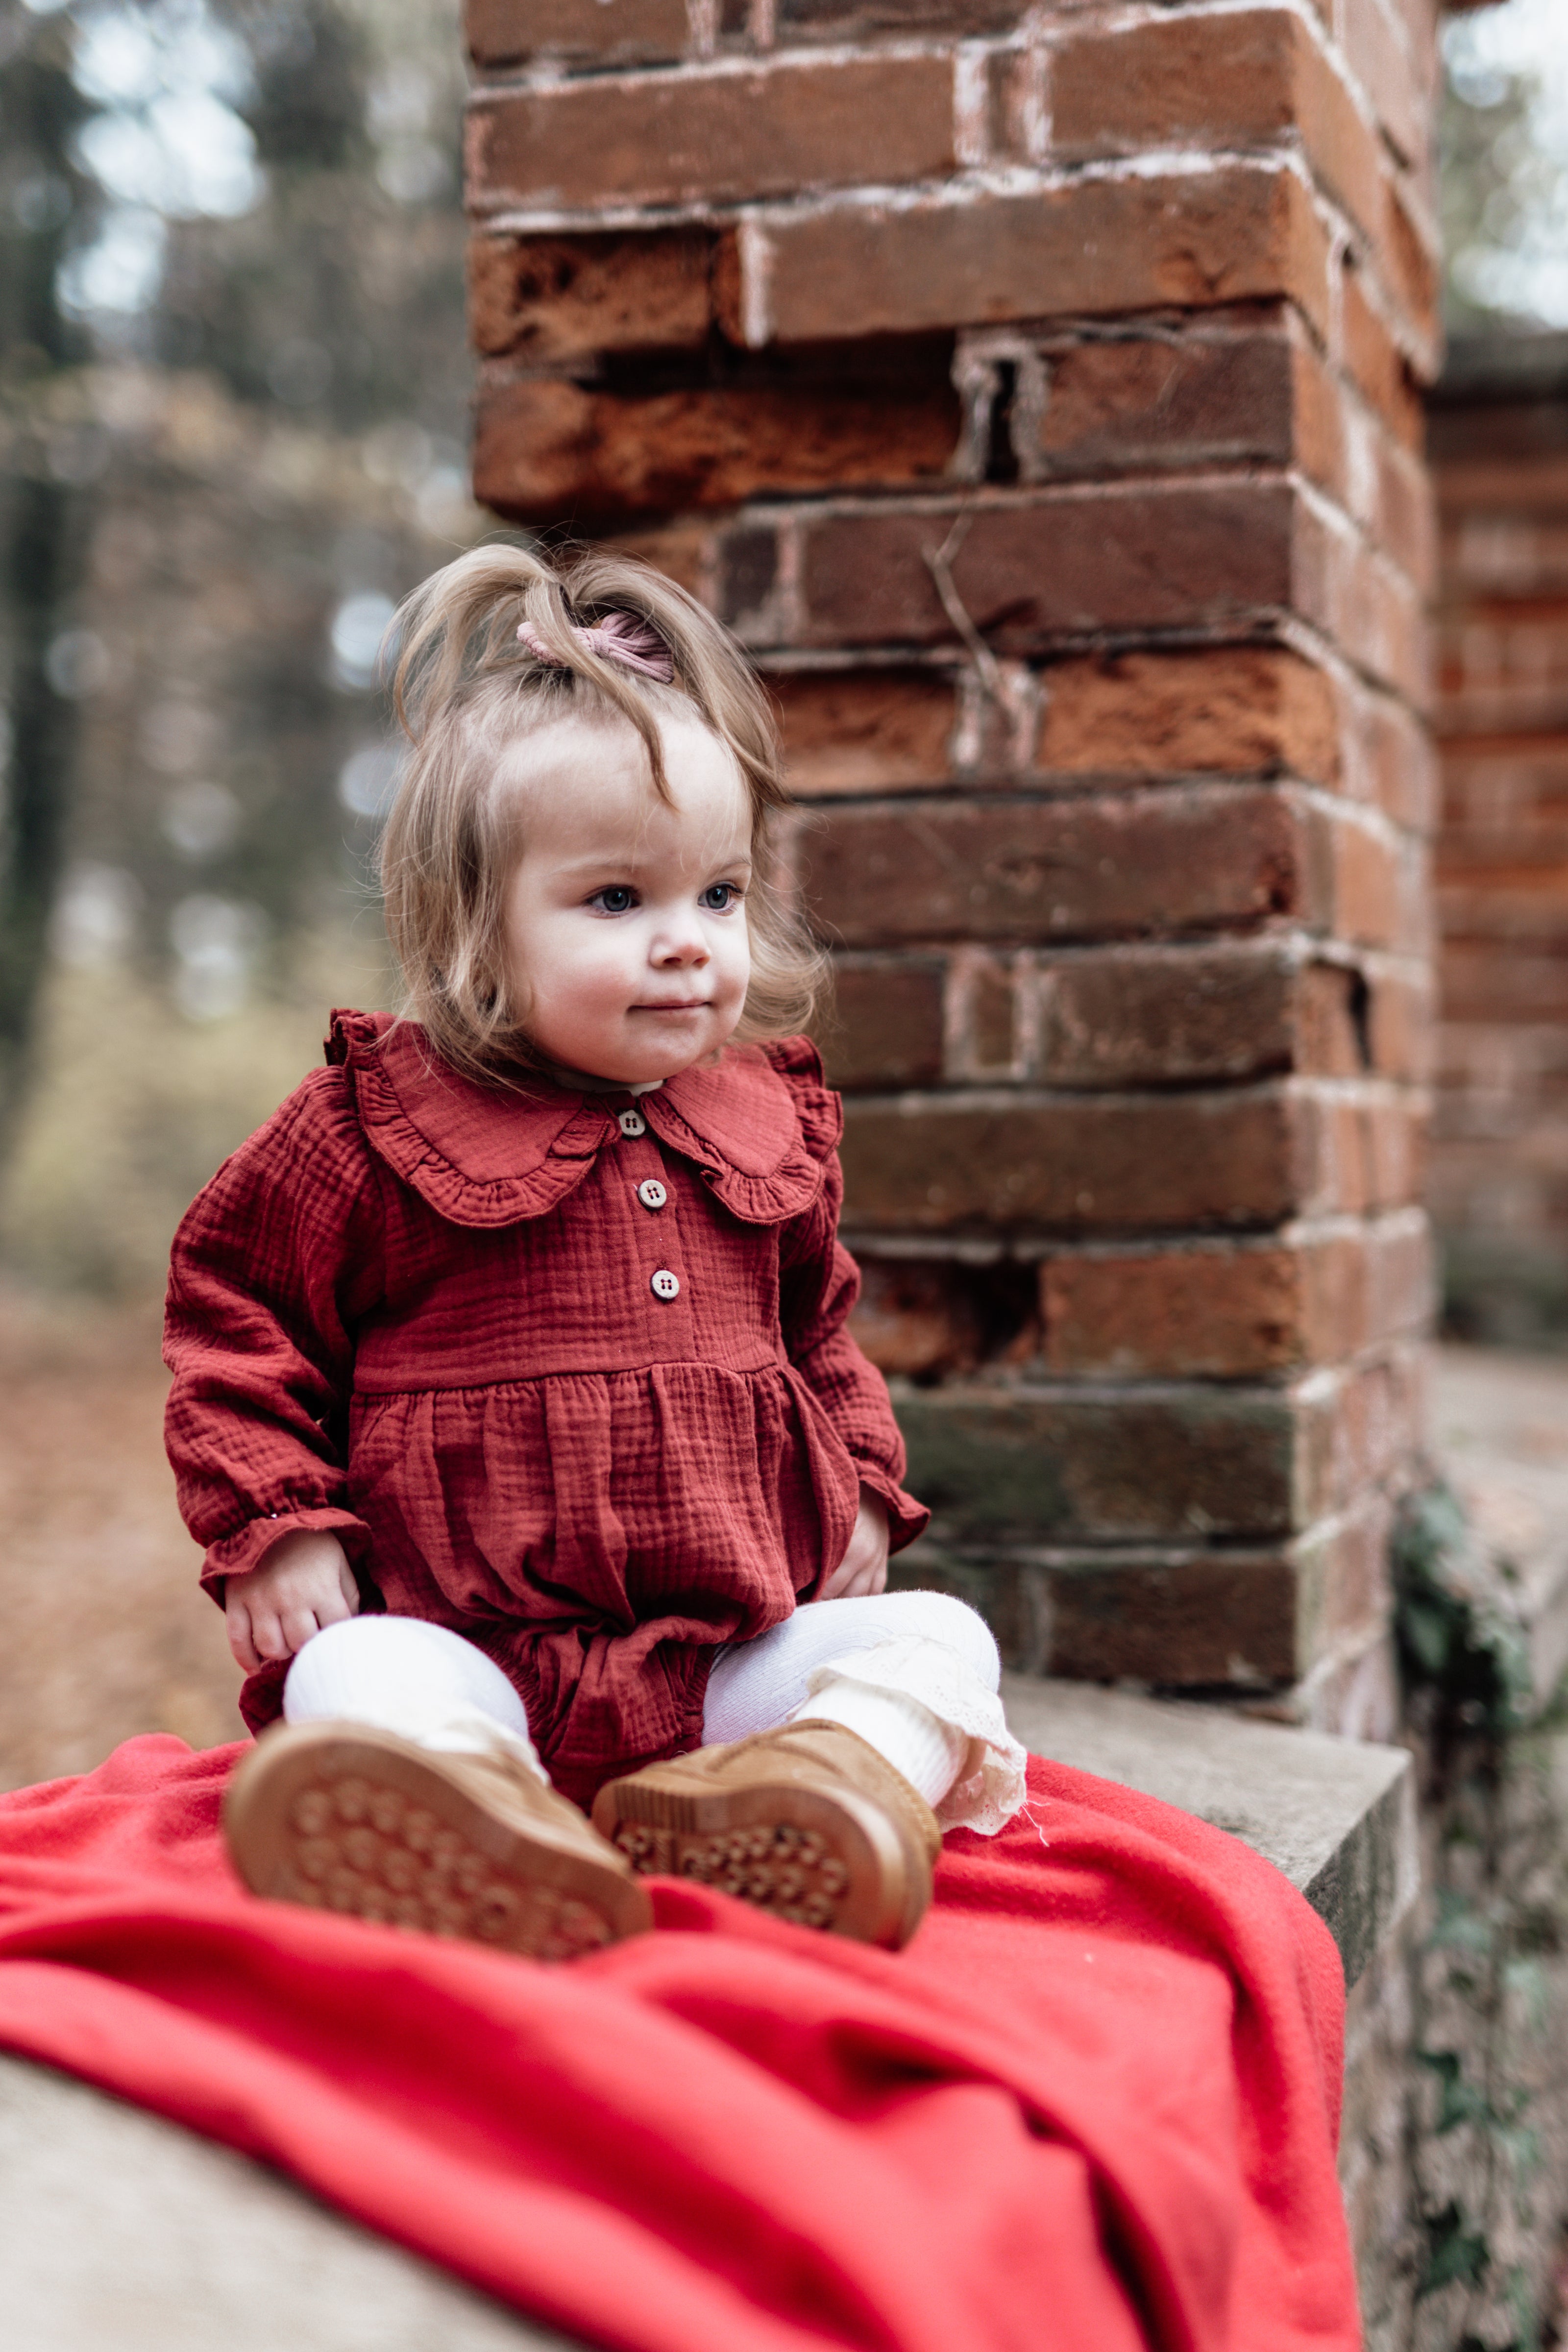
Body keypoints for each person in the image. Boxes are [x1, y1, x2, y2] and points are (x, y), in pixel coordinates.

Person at [164, 542, 1026, 1963]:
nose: (689, 946)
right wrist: (279, 1523)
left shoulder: (767, 1117)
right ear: (475, 926)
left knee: (943, 1645)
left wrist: (865, 1487)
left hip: (721, 1669)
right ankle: (471, 1815)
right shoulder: (374, 1124)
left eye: (721, 895)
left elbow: (821, 1333)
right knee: (352, 1670)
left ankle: (798, 1800)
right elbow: (234, 1309)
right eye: (617, 902)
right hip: (464, 1646)